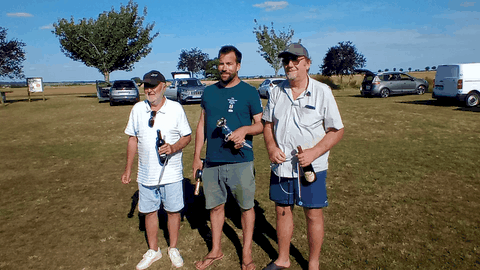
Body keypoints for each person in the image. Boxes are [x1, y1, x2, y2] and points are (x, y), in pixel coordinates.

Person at [262, 43, 344, 270]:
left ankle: (313, 264)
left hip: (311, 168)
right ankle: (283, 259)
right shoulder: (276, 91)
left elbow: (337, 130)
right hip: (281, 166)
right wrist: (270, 147)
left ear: (307, 63)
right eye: (286, 60)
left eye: (295, 60)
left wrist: (314, 153)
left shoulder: (322, 92)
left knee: (313, 214)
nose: (289, 65)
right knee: (282, 211)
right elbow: (267, 124)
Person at [192, 45, 264, 270]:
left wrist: (244, 130)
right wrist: (197, 157)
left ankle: (247, 254)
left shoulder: (249, 92)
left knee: (246, 207)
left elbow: (261, 125)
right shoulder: (209, 91)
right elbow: (202, 124)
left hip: (241, 161)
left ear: (238, 66)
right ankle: (216, 250)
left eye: (229, 64)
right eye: (221, 63)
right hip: (212, 161)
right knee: (214, 207)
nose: (224, 68)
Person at [121, 70, 192, 270]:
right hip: (145, 173)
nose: (149, 90)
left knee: (173, 211)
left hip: (172, 174)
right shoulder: (137, 109)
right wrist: (128, 169)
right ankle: (154, 250)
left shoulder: (176, 108)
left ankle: (173, 248)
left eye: (153, 85)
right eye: (146, 86)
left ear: (164, 86)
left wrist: (173, 148)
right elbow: (132, 139)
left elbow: (187, 136)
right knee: (149, 212)